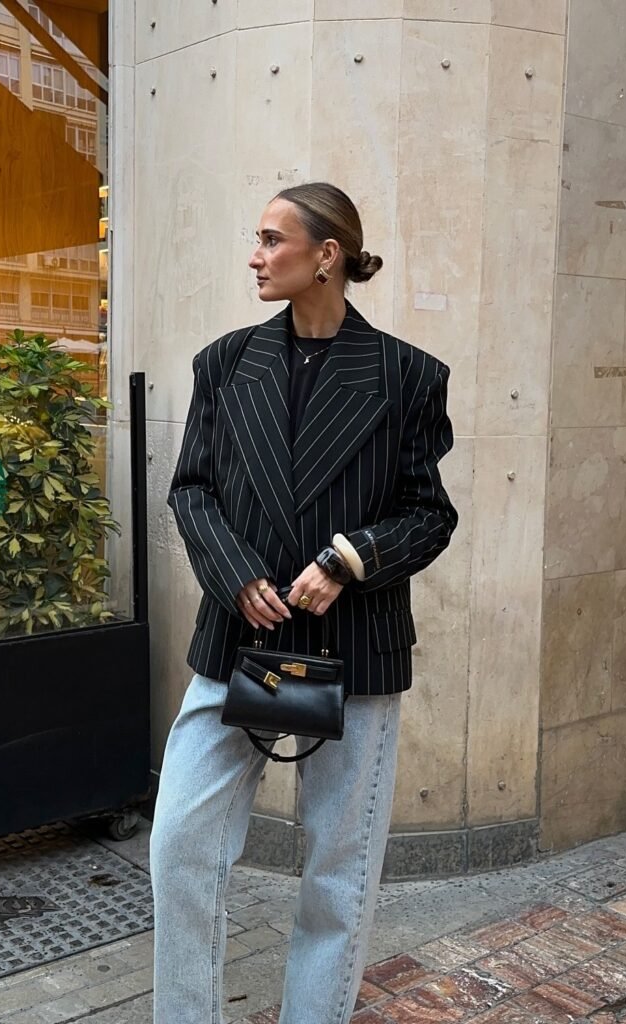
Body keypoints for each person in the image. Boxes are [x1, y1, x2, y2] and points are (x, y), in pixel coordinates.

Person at [150, 182, 458, 1024]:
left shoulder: (406, 375)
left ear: (326, 255)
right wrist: (233, 571)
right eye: (255, 238)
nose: (254, 254)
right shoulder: (223, 362)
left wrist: (349, 558)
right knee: (178, 843)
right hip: (240, 640)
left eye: (270, 238)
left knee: (337, 865)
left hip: (350, 645)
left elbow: (429, 515)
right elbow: (194, 491)